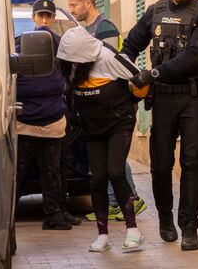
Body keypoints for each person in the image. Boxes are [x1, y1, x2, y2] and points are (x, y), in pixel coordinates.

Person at [122, 0, 198, 251]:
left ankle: (189, 226)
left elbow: (195, 55)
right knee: (161, 163)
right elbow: (131, 45)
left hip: (193, 96)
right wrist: (124, 69)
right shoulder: (155, 11)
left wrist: (153, 72)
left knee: (191, 162)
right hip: (162, 96)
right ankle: (165, 219)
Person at [57, 26, 147, 252]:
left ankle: (133, 231)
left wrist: (133, 98)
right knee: (97, 179)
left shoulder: (108, 58)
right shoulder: (70, 67)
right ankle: (102, 235)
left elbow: (141, 79)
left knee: (115, 171)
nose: (72, 63)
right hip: (92, 127)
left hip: (119, 123)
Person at [66, 0, 147, 222]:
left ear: (87, 3)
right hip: (99, 103)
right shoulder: (87, 29)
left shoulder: (105, 29)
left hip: (115, 101)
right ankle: (124, 199)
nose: (71, 11)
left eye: (74, 5)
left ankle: (123, 201)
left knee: (115, 160)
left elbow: (105, 63)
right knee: (111, 159)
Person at [16, 0, 79, 230]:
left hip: (53, 121)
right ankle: (6, 216)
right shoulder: (19, 46)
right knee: (17, 175)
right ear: (33, 18)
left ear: (53, 19)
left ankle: (54, 215)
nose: (43, 20)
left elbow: (70, 75)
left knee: (54, 172)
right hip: (25, 122)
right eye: (40, 16)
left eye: (48, 16)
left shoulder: (61, 46)